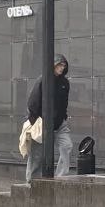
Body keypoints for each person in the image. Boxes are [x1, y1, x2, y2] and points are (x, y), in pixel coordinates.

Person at [25, 53, 71, 183]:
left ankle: (60, 178)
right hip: (42, 123)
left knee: (67, 146)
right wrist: (35, 121)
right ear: (53, 65)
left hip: (59, 123)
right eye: (59, 65)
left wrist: (63, 117)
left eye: (64, 65)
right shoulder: (42, 80)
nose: (62, 68)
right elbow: (32, 102)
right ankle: (32, 182)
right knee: (37, 155)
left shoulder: (65, 83)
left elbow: (64, 103)